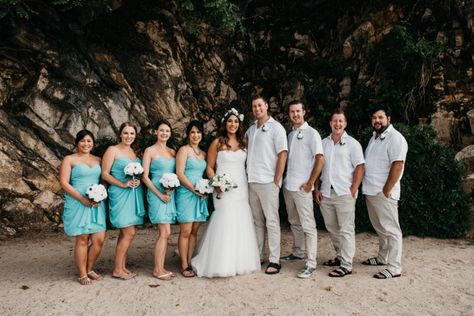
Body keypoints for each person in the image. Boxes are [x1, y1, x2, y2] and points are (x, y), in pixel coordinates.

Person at [192, 108, 261, 277]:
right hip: (222, 188)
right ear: (225, 123)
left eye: (236, 121)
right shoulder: (217, 142)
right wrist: (216, 183)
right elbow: (209, 167)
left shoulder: (245, 142)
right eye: (230, 121)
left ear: (240, 124)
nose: (233, 124)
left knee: (241, 219)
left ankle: (239, 261)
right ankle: (219, 262)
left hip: (241, 187)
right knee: (224, 218)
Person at [315, 109, 365, 278]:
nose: (337, 124)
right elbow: (317, 167)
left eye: (341, 121)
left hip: (344, 193)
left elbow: (360, 167)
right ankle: (340, 256)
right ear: (330, 123)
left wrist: (354, 188)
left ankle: (346, 264)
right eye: (335, 121)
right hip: (325, 193)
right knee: (332, 228)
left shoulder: (353, 144)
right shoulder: (323, 143)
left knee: (346, 229)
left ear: (345, 124)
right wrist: (316, 188)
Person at [362, 106, 408, 279]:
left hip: (384, 193)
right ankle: (382, 257)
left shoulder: (395, 138)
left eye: (380, 117)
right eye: (374, 117)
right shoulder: (374, 138)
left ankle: (395, 267)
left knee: (392, 230)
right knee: (380, 228)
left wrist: (386, 189)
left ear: (388, 118)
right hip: (371, 191)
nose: (377, 120)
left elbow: (397, 165)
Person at [281, 100, 324, 279]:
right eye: (292, 111)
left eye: (298, 111)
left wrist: (310, 183)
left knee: (308, 225)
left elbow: (320, 159)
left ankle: (311, 263)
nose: (295, 114)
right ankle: (298, 251)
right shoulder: (290, 135)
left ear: (304, 112)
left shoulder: (312, 134)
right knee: (293, 221)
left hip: (302, 188)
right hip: (288, 186)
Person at [246, 95, 288, 275]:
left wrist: (276, 180)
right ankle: (258, 255)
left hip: (268, 181)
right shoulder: (250, 129)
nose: (257, 109)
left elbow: (283, 154)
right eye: (254, 106)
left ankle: (274, 259)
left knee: (272, 221)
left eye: (260, 105)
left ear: (266, 106)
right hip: (251, 181)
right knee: (257, 221)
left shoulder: (276, 128)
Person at [59, 130, 106, 285]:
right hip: (78, 201)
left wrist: (101, 193)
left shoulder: (98, 159)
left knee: (99, 239)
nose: (86, 144)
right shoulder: (69, 159)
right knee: (83, 238)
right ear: (77, 143)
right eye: (83, 141)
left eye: (89, 141)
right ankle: (82, 273)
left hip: (96, 203)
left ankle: (89, 268)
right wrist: (82, 199)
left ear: (93, 143)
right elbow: (64, 183)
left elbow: (104, 178)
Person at [102, 122, 145, 280]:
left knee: (125, 233)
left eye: (132, 134)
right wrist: (122, 183)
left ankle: (121, 266)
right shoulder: (112, 150)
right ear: (120, 134)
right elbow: (105, 174)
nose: (129, 136)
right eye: (126, 133)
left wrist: (138, 181)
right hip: (120, 192)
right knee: (129, 232)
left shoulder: (133, 152)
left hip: (134, 193)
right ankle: (117, 269)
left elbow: (137, 174)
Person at [142, 120, 177, 280]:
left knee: (166, 233)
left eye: (167, 131)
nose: (164, 133)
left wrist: (171, 189)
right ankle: (157, 269)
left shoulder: (172, 152)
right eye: (161, 130)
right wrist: (159, 194)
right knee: (165, 231)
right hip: (157, 193)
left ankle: (161, 266)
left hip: (170, 193)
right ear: (156, 131)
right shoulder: (149, 150)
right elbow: (144, 176)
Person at [175, 120, 209, 277]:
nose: (196, 135)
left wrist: (205, 188)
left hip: (200, 195)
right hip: (186, 193)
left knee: (195, 230)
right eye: (193, 132)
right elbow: (180, 173)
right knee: (186, 231)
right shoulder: (184, 150)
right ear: (188, 135)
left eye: (198, 132)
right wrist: (193, 189)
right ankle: (183, 265)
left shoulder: (203, 154)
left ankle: (190, 261)